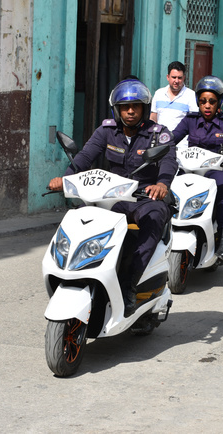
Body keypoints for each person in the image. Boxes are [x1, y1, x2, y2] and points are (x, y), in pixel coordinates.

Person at [48, 78, 178, 315]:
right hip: (113, 198)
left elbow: (168, 160)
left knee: (154, 218)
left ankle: (129, 286)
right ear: (116, 110)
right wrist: (65, 179)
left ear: (144, 108)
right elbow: (84, 158)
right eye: (125, 107)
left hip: (144, 198)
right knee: (82, 220)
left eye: (136, 106)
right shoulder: (106, 131)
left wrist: (162, 184)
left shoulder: (158, 134)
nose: (130, 111)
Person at [171, 76, 223, 264]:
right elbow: (172, 138)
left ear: (219, 102)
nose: (207, 106)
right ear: (198, 101)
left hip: (218, 171)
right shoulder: (190, 121)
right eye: (203, 101)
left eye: (212, 101)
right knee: (169, 187)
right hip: (191, 170)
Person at [150, 61, 199, 132]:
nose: (176, 81)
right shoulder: (159, 94)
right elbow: (153, 117)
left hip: (182, 142)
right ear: (168, 77)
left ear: (184, 78)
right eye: (174, 77)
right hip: (160, 141)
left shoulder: (191, 96)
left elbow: (194, 122)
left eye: (179, 78)